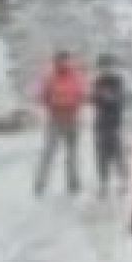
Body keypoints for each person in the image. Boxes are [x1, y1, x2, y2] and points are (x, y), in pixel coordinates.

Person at [35, 51, 88, 195]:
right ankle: (40, 185)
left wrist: (75, 105)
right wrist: (52, 106)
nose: (63, 63)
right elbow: (40, 95)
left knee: (72, 154)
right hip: (55, 119)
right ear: (55, 62)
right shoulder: (48, 77)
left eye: (65, 60)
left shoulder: (77, 76)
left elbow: (83, 94)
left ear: (69, 61)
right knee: (48, 153)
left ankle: (73, 185)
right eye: (60, 61)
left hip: (73, 119)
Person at [92, 53, 128, 193]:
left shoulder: (118, 81)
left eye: (108, 65)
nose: (105, 68)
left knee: (118, 153)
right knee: (101, 154)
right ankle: (103, 182)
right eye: (103, 66)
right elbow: (94, 100)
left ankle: (123, 180)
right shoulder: (97, 81)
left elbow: (118, 100)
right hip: (100, 123)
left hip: (115, 123)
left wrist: (107, 97)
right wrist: (101, 97)